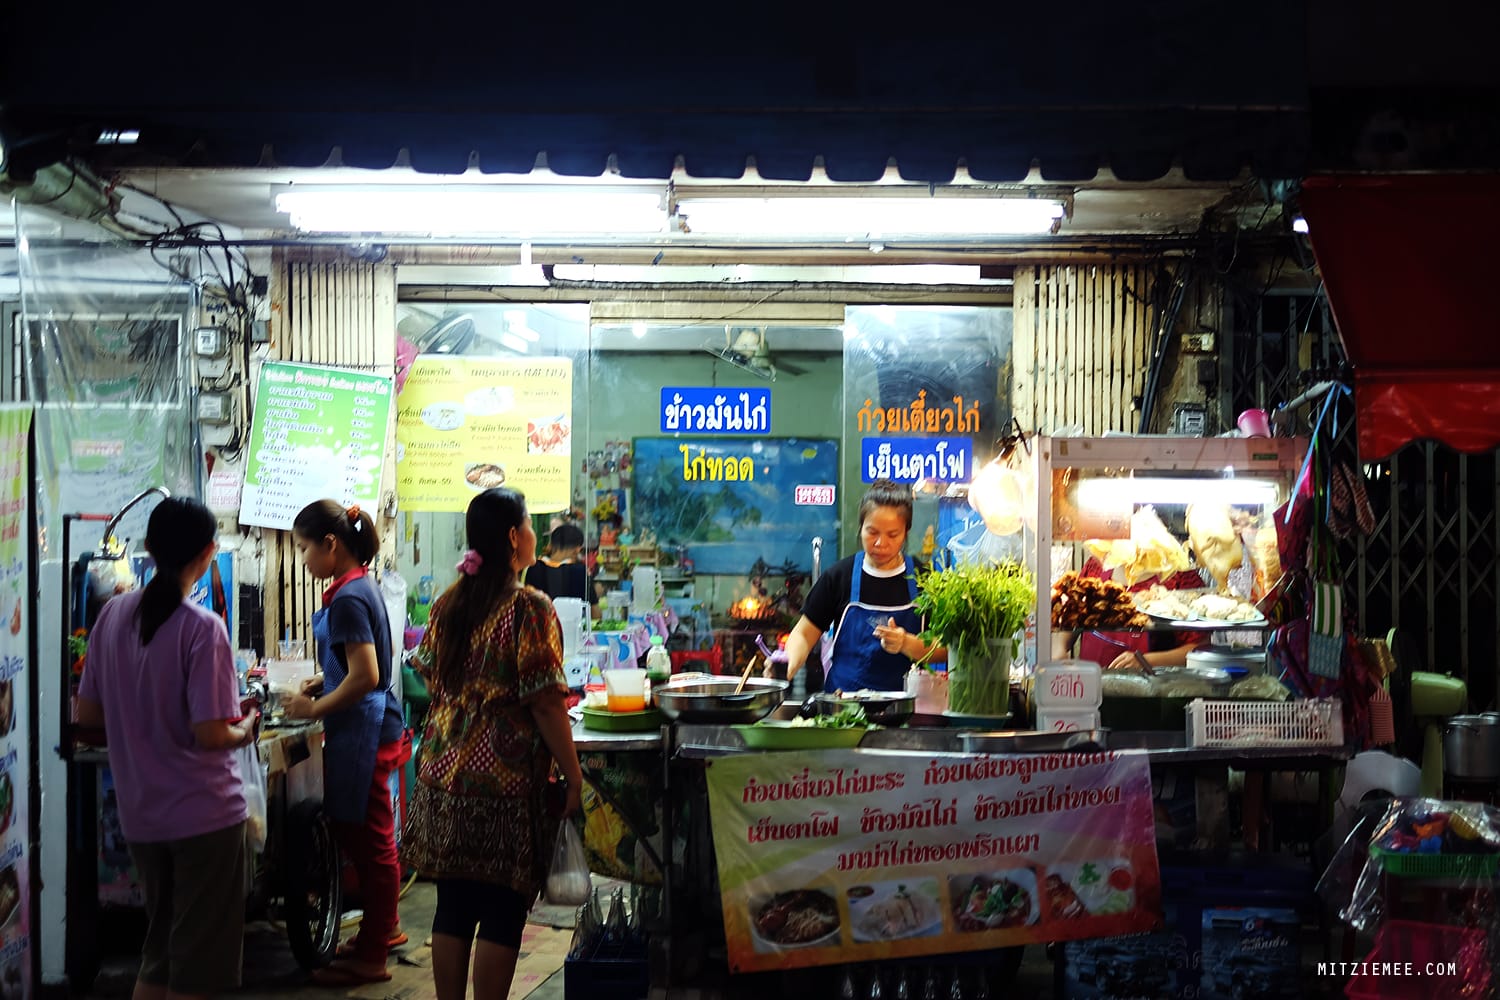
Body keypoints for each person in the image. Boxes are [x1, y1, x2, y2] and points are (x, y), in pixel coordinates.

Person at [401, 487, 584, 1000]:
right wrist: (572, 776)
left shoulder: (447, 605)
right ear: (512, 536)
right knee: (502, 908)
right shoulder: (529, 609)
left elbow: (432, 682)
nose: (535, 535)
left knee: (454, 904)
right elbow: (547, 704)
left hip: (441, 776)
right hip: (502, 784)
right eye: (530, 525)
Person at [76, 496, 256, 1000]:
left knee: (158, 956)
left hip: (142, 817)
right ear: (208, 553)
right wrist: (247, 728)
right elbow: (212, 734)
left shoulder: (111, 616)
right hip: (204, 819)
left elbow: (88, 717)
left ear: (149, 549)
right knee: (199, 967)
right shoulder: (203, 629)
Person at [282, 501, 405, 987]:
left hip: (366, 731)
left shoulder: (350, 597)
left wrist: (313, 709)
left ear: (331, 545)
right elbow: (354, 661)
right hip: (370, 727)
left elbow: (367, 675)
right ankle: (384, 929)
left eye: (305, 547)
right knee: (364, 836)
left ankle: (374, 954)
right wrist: (322, 680)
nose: (305, 558)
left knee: (372, 844)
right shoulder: (359, 586)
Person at [783, 480, 941, 693]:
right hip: (843, 710)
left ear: (906, 532)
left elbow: (948, 649)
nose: (880, 543)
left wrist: (906, 643)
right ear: (860, 528)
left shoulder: (926, 579)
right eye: (872, 532)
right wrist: (787, 663)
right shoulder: (838, 577)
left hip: (908, 712)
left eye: (892, 535)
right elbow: (803, 634)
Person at [525, 522, 595, 609]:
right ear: (577, 549)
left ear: (551, 544)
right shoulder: (580, 571)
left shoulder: (532, 568)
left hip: (539, 622)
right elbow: (594, 610)